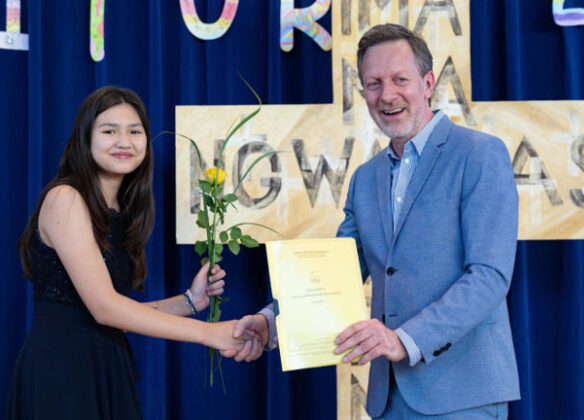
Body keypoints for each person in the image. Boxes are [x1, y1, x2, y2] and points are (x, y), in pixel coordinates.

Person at [224, 23, 521, 419]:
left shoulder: (480, 154)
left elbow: (489, 276)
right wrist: (270, 324)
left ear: (428, 83)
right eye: (374, 84)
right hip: (387, 398)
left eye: (400, 80)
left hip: (462, 394)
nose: (387, 95)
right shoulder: (366, 178)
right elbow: (336, 273)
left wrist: (404, 340)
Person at [5, 86, 243, 419]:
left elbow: (111, 315)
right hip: (62, 375)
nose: (124, 142)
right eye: (109, 131)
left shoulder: (120, 209)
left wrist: (190, 301)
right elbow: (105, 308)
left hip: (106, 365)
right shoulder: (66, 198)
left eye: (134, 131)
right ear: (85, 139)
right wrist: (210, 333)